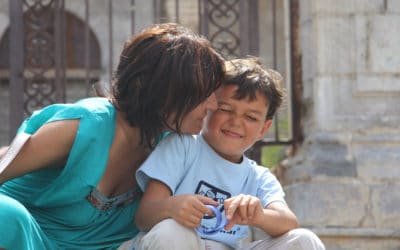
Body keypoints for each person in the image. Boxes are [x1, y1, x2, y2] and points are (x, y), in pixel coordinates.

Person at [0, 23, 225, 250]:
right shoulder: (88, 124)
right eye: (204, 93)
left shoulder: (174, 146)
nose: (214, 105)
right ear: (165, 89)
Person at [131, 58, 325, 250]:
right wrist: (171, 207)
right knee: (171, 231)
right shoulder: (182, 146)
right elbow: (144, 215)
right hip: (178, 242)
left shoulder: (259, 177)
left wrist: (259, 215)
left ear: (264, 129)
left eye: (250, 117)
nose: (236, 121)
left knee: (304, 240)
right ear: (208, 107)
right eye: (225, 109)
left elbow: (288, 222)